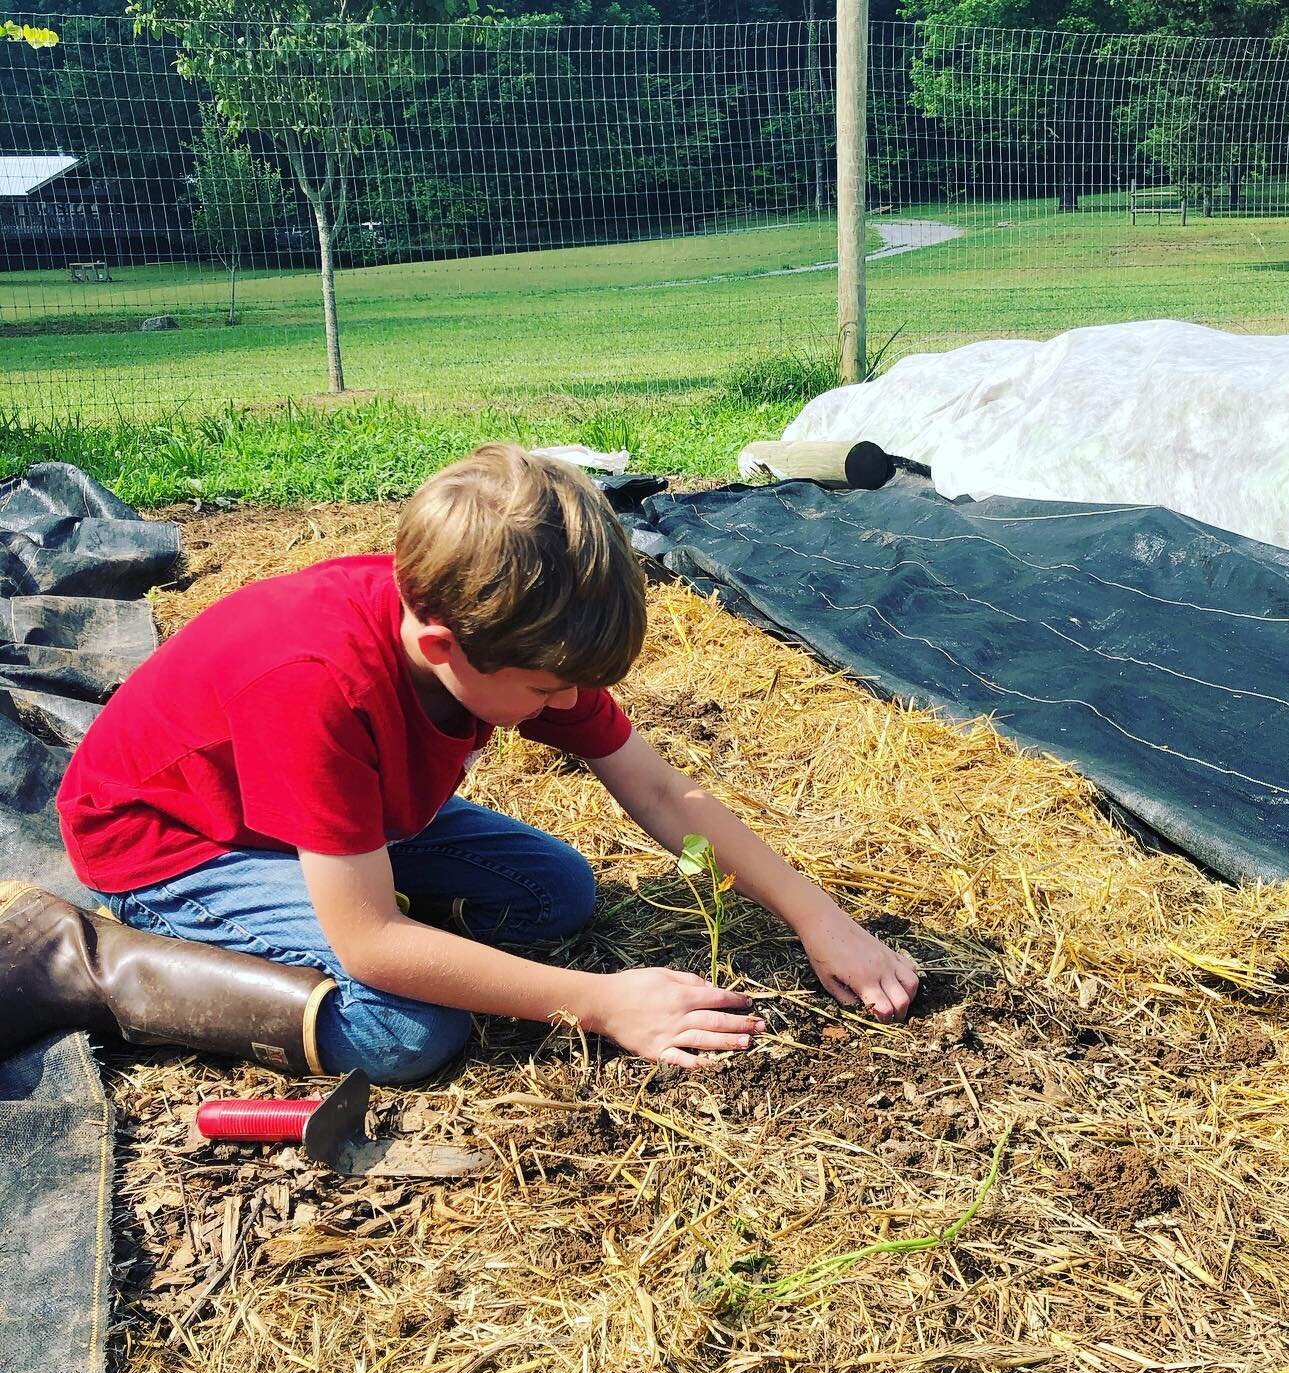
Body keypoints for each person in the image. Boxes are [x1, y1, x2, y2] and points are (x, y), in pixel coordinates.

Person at [1, 445, 917, 1084]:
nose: (567, 708)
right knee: (406, 1029)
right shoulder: (316, 681)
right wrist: (598, 1002)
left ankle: (342, 884)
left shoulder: (519, 637)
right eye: (549, 692)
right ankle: (93, 963)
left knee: (557, 892)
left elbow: (661, 786)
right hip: (178, 840)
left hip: (332, 817)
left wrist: (817, 917)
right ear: (442, 645)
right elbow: (371, 945)